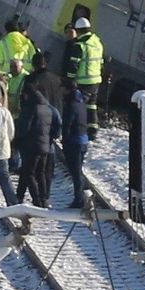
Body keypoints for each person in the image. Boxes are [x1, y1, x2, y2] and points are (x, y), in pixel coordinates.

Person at [15, 78, 59, 208]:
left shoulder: (31, 108)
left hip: (31, 146)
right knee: (40, 173)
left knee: (29, 173)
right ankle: (43, 198)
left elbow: (25, 128)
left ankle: (36, 200)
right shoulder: (47, 108)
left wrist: (17, 140)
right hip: (45, 146)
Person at [62, 13, 105, 140]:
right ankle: (92, 130)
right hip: (96, 80)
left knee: (77, 106)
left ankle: (76, 129)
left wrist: (69, 80)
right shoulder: (97, 42)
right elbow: (101, 62)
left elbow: (73, 65)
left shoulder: (80, 45)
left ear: (78, 30)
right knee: (91, 106)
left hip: (83, 82)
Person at [0, 15, 35, 107]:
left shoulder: (2, 43)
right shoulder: (28, 44)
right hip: (24, 80)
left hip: (5, 80)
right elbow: (34, 62)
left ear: (6, 31)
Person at [60, 83, 91, 211]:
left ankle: (80, 199)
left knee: (76, 172)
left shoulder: (71, 105)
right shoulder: (81, 102)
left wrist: (64, 141)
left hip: (74, 142)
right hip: (83, 140)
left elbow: (67, 125)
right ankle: (82, 196)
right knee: (78, 171)